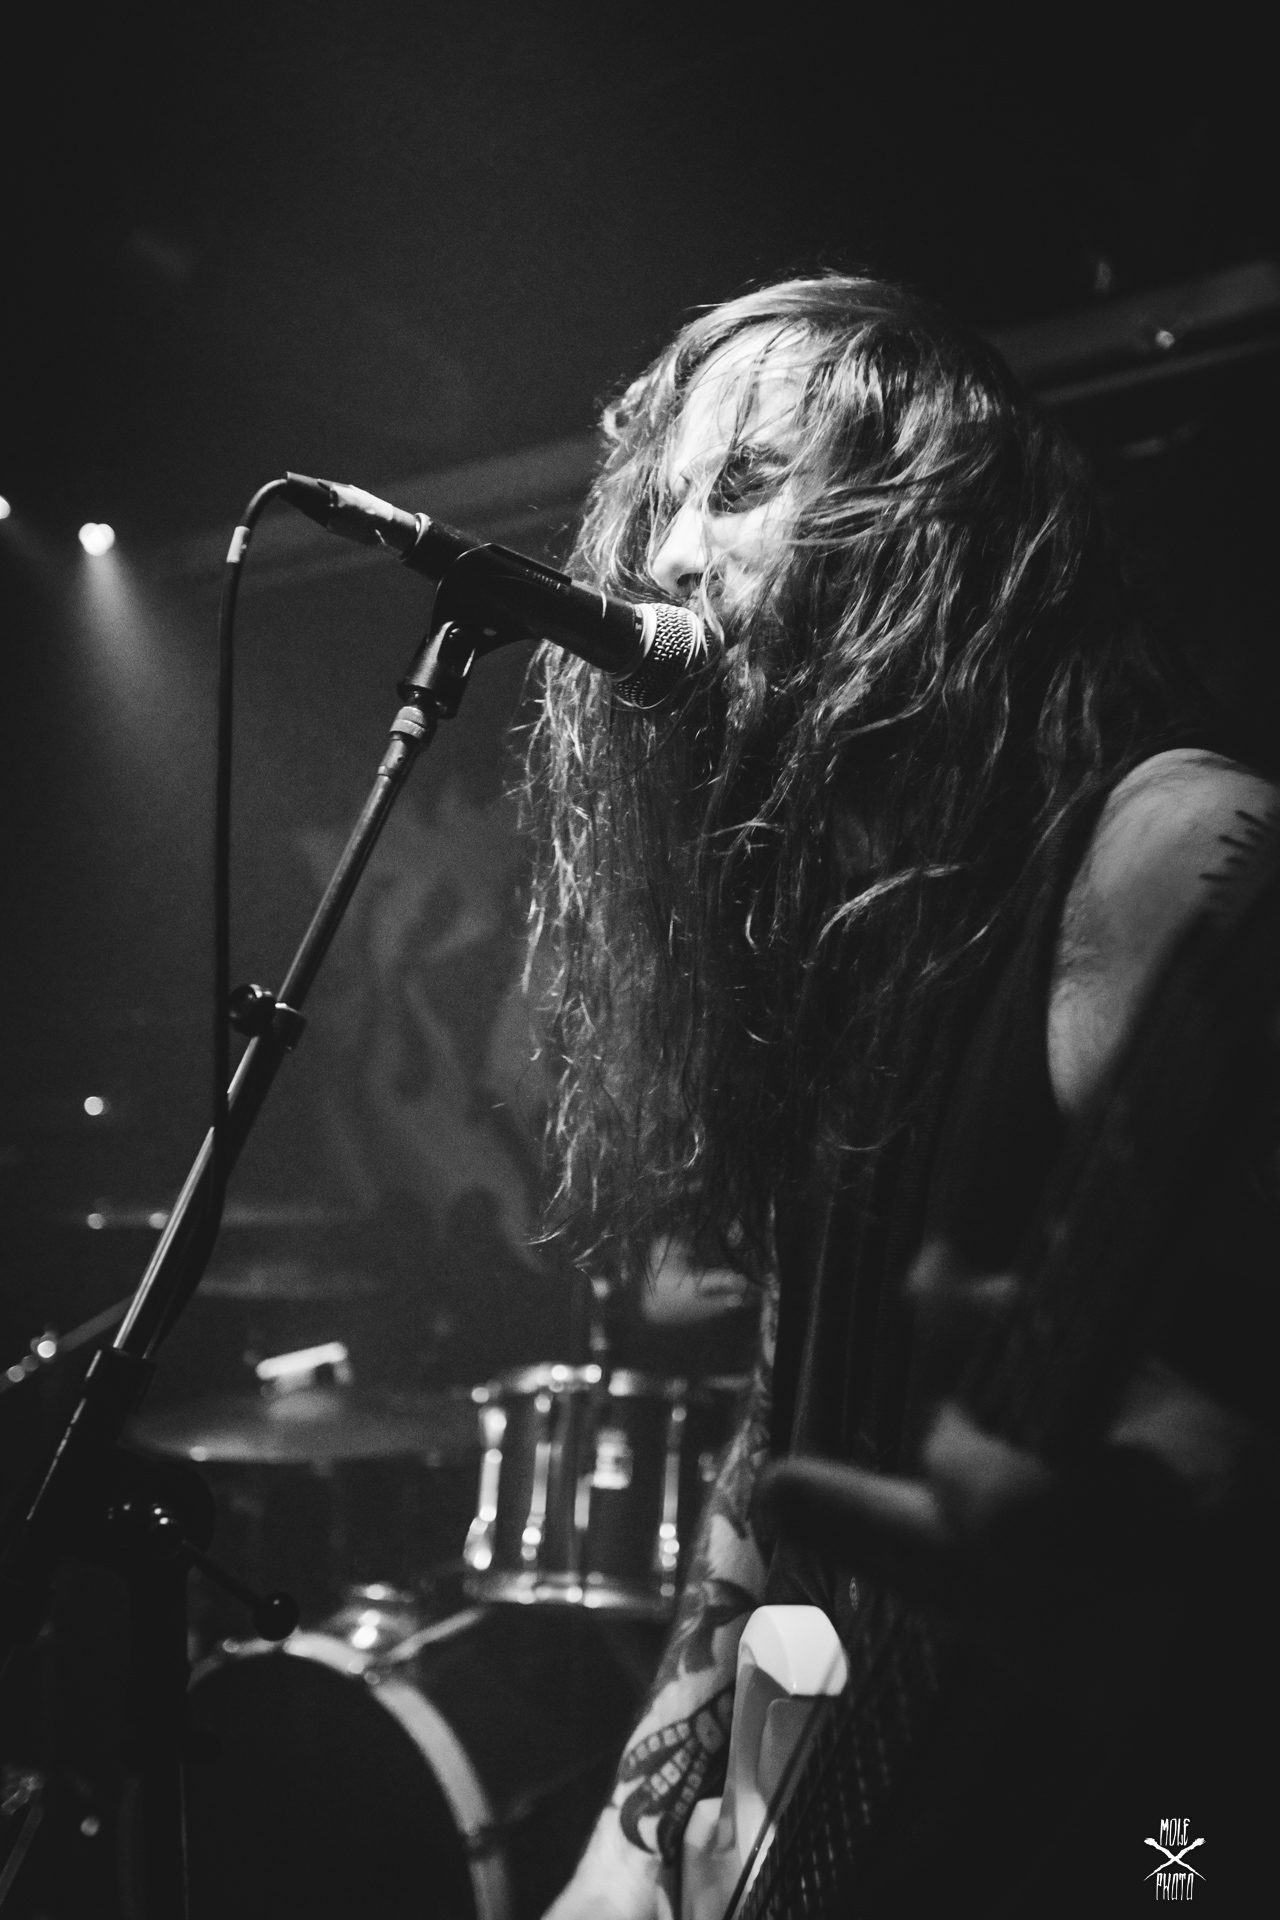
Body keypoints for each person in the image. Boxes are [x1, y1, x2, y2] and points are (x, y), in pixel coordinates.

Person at [521, 276, 1279, 1914]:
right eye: (663, 506)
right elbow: (786, 1423)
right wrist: (633, 1846)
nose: (667, 560)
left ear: (929, 522)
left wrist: (1195, 1507)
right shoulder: (853, 952)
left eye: (742, 487)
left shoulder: (1169, 860)